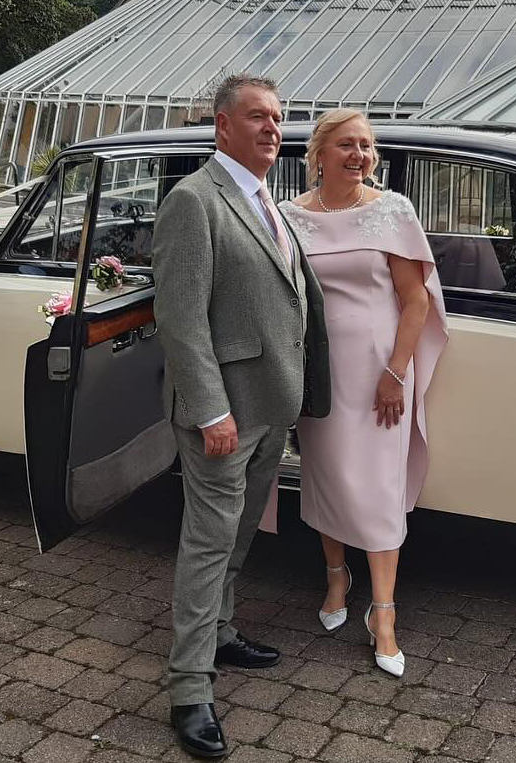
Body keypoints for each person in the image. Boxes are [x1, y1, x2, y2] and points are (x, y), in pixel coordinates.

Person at [152, 74, 329, 758]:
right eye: (257, 116)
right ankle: (190, 687)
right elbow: (181, 320)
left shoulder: (268, 201)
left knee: (238, 535)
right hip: (223, 416)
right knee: (207, 542)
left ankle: (221, 633)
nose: (271, 128)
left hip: (270, 405)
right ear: (222, 124)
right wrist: (210, 409)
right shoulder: (194, 201)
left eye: (279, 118)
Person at [280, 109, 448, 679]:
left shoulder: (392, 211)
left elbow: (416, 301)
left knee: (376, 487)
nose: (359, 156)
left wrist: (396, 373)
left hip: (380, 373)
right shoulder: (288, 218)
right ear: (320, 154)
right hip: (319, 371)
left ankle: (384, 612)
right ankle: (335, 578)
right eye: (347, 145)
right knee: (326, 475)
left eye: (367, 147)